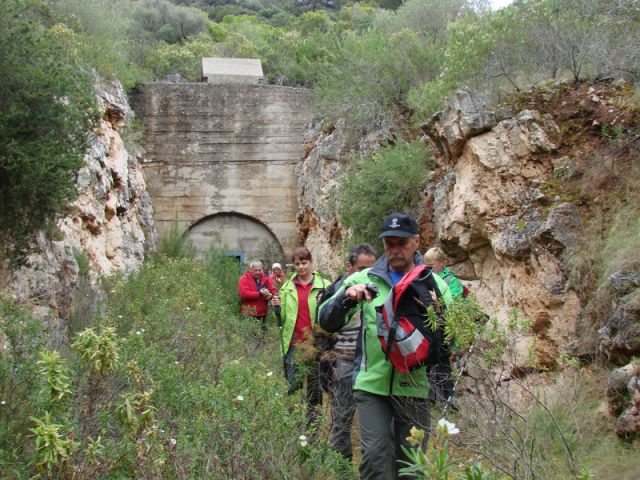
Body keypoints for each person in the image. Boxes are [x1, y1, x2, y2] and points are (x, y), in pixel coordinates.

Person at [319, 213, 453, 480]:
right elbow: (324, 319)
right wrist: (346, 299)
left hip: (416, 388)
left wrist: (437, 312)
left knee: (412, 467)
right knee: (374, 460)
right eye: (389, 243)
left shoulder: (434, 285)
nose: (395, 249)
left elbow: (450, 339)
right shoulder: (363, 279)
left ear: (416, 241)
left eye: (401, 242)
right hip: (372, 386)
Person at [321, 244, 377, 460]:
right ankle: (341, 466)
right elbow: (322, 331)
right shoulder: (335, 291)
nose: (366, 274)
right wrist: (325, 368)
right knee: (341, 422)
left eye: (371, 269)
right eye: (361, 268)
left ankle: (372, 466)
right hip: (343, 364)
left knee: (373, 426)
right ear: (349, 266)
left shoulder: (378, 289)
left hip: (372, 366)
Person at [276, 247, 330, 424]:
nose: (300, 267)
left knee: (314, 388)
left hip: (315, 346)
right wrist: (276, 307)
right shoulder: (286, 288)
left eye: (304, 262)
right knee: (293, 386)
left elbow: (332, 316)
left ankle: (312, 425)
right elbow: (282, 318)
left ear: (311, 263)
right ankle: (293, 425)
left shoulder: (325, 285)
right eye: (297, 263)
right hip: (293, 345)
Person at [423, 247, 463, 406]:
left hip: (445, 329)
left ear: (442, 263)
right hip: (430, 328)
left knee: (444, 364)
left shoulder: (450, 281)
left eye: (432, 265)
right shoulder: (425, 279)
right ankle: (431, 399)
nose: (429, 269)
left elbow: (455, 308)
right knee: (429, 364)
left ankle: (448, 399)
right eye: (426, 265)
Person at [237, 260, 277, 333]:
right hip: (249, 314)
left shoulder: (265, 279)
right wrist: (260, 294)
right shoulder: (243, 279)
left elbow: (273, 291)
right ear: (250, 270)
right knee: (250, 338)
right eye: (256, 270)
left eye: (259, 270)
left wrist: (270, 295)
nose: (258, 272)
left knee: (262, 337)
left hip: (262, 313)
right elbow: (244, 294)